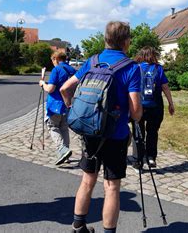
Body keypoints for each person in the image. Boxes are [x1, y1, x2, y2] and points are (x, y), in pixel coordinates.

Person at [60, 21, 142, 233]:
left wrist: (73, 109)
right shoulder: (131, 68)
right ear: (127, 42)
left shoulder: (92, 61)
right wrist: (138, 116)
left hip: (90, 131)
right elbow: (135, 112)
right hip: (116, 135)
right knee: (112, 186)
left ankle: (78, 227)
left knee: (87, 180)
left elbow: (64, 88)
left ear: (106, 39)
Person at [134, 46, 174, 169]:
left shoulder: (136, 68)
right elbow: (165, 87)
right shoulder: (159, 69)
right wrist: (171, 103)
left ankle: (138, 160)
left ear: (141, 55)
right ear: (153, 55)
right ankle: (151, 158)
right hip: (155, 106)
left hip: (139, 105)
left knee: (138, 133)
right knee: (152, 132)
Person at [39, 51, 76, 165]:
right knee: (64, 128)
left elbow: (50, 89)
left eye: (52, 60)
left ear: (56, 58)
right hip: (68, 104)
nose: (52, 62)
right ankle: (66, 154)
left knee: (52, 126)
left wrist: (42, 84)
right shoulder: (72, 70)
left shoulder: (57, 70)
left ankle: (62, 149)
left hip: (55, 105)